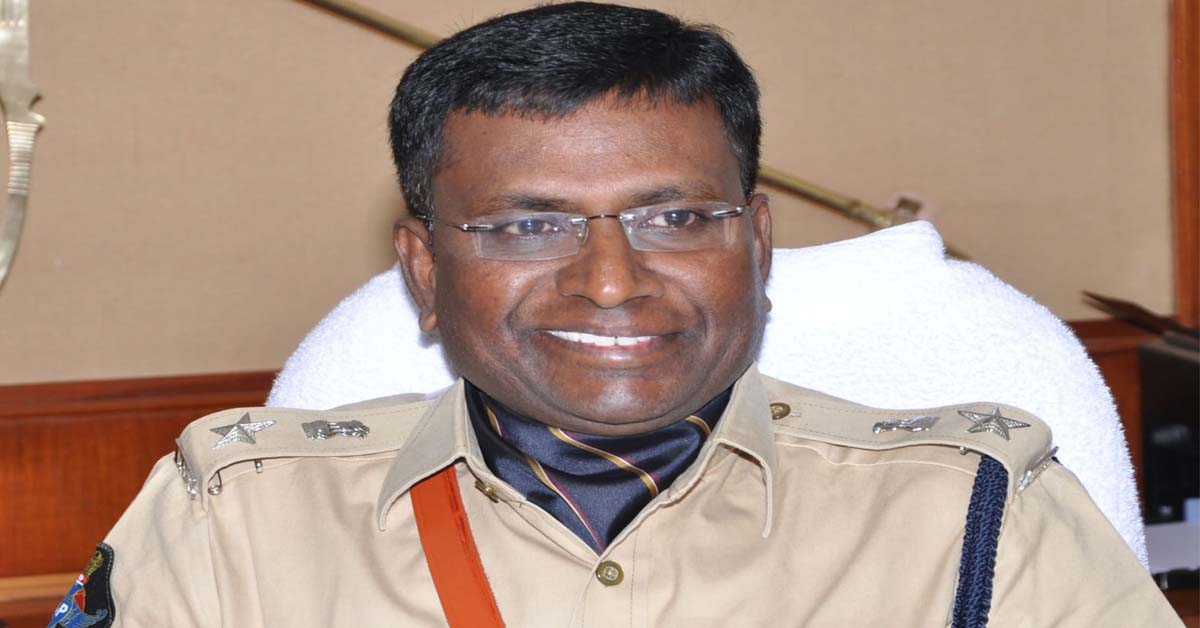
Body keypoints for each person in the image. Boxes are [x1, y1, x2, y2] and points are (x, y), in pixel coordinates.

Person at [48, 3, 1181, 627]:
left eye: (674, 216)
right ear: (425, 271)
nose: (609, 281)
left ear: (758, 245)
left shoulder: (976, 516)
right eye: (526, 226)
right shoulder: (233, 522)